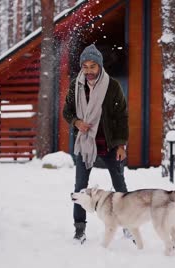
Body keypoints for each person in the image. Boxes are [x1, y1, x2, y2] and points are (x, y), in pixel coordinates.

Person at [63, 44, 130, 244]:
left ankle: (128, 225)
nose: (89, 70)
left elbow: (121, 117)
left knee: (120, 187)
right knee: (80, 188)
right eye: (86, 66)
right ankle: (79, 229)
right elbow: (67, 111)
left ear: (100, 66)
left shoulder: (113, 86)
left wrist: (120, 145)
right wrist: (77, 122)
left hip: (109, 145)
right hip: (85, 145)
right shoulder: (76, 85)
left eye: (93, 66)